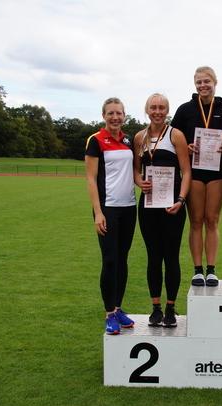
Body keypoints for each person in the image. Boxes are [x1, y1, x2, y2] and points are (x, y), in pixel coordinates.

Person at [133, 93, 191, 327]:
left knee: (171, 256)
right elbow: (136, 170)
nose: (157, 111)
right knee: (153, 257)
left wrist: (181, 200)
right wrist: (140, 182)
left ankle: (170, 308)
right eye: (153, 107)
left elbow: (186, 171)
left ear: (167, 111)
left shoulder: (175, 135)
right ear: (147, 110)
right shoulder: (139, 137)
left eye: (161, 108)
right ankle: (155, 308)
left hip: (172, 206)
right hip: (148, 206)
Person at [171, 66, 222, 287]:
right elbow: (172, 139)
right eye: (199, 82)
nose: (203, 85)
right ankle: (197, 270)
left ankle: (211, 269)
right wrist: (186, 146)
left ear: (215, 82)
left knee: (212, 220)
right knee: (196, 221)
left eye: (207, 81)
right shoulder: (185, 110)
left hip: (216, 173)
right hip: (193, 174)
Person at [85, 97, 137, 335]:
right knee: (110, 260)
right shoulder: (96, 140)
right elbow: (91, 178)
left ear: (124, 115)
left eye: (119, 113)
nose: (115, 117)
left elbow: (133, 171)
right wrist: (98, 212)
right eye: (110, 113)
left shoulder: (128, 140)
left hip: (129, 208)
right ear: (104, 115)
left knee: (122, 259)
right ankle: (109, 314)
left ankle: (118, 308)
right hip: (107, 209)